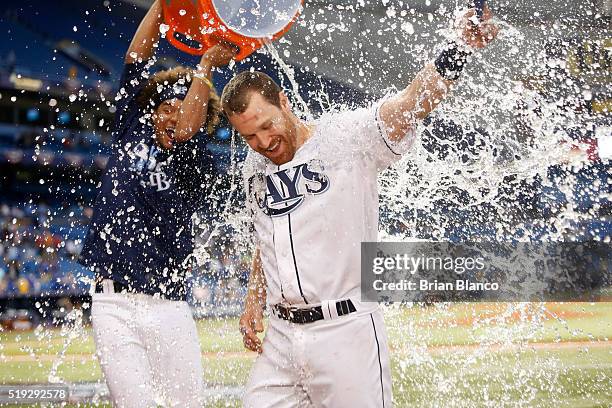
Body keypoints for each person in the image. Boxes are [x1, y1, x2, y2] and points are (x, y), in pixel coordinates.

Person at [221, 5, 498, 407]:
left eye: (267, 125)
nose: (264, 142)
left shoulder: (346, 138)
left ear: (284, 102)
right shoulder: (256, 166)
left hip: (345, 332)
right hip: (282, 339)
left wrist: (459, 48)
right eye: (250, 135)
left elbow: (412, 104)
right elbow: (268, 237)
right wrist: (253, 300)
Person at [78, 1, 235, 406]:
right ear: (149, 113)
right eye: (165, 107)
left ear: (201, 117)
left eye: (184, 107)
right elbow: (135, 57)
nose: (173, 115)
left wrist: (205, 67)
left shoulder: (195, 157)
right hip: (112, 303)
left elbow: (186, 129)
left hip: (169, 307)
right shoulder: (131, 128)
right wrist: (162, 6)